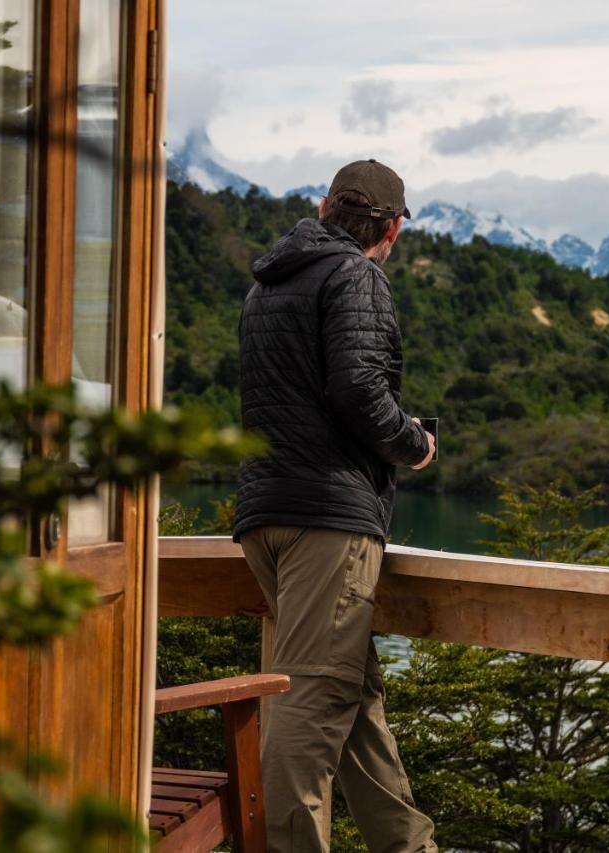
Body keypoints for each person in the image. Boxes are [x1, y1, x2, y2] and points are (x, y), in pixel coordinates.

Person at [234, 159, 438, 853]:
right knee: (313, 702)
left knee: (350, 699)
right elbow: (357, 387)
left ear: (324, 208)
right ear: (394, 229)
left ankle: (409, 845)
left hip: (266, 513)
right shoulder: (356, 275)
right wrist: (413, 444)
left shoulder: (267, 288)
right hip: (327, 519)